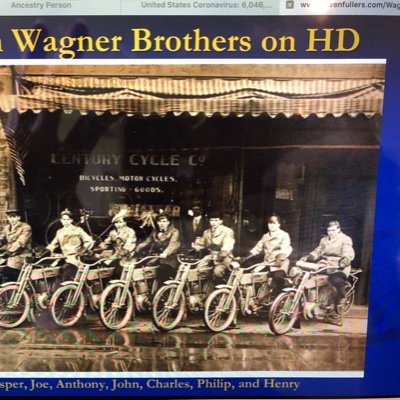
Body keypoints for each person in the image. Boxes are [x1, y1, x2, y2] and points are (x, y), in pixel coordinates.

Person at [301, 220, 355, 309]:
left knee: (336, 280)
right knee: (308, 277)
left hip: (339, 265)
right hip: (325, 264)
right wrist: (308, 257)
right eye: (329, 230)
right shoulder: (324, 239)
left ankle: (341, 298)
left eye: (333, 230)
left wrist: (345, 260)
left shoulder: (345, 239)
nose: (331, 233)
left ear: (339, 229)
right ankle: (313, 301)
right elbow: (317, 251)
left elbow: (347, 251)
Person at [244, 214, 293, 298]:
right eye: (269, 223)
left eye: (274, 223)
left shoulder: (284, 235)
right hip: (267, 262)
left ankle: (280, 296)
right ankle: (257, 298)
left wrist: (279, 258)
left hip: (280, 262)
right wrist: (245, 258)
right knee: (253, 276)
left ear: (279, 224)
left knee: (278, 278)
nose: (271, 226)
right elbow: (257, 249)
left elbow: (285, 248)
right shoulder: (265, 236)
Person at [46, 209, 95, 280]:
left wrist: (81, 251)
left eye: (68, 219)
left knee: (65, 271)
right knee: (51, 271)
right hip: (63, 257)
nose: (66, 222)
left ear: (71, 220)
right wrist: (45, 252)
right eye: (64, 219)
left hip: (75, 259)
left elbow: (89, 241)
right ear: (61, 220)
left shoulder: (77, 230)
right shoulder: (59, 232)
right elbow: (53, 244)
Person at [136, 213, 181, 284]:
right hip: (157, 258)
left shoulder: (174, 231)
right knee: (143, 268)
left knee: (162, 270)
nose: (162, 224)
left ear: (168, 222)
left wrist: (166, 253)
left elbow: (173, 244)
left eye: (164, 221)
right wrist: (137, 248)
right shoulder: (155, 231)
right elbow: (147, 242)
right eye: (160, 221)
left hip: (170, 259)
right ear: (157, 222)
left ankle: (162, 290)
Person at [194, 210, 235, 282]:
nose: (213, 222)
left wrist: (218, 257)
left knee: (217, 271)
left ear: (221, 221)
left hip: (224, 258)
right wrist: (196, 245)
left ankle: (222, 289)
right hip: (210, 256)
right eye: (211, 220)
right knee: (199, 270)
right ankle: (204, 289)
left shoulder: (227, 231)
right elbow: (201, 245)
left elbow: (226, 248)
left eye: (216, 220)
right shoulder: (206, 232)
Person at [99, 209, 137, 279]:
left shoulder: (130, 231)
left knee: (125, 274)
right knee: (105, 267)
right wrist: (101, 246)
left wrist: (125, 250)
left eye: (120, 222)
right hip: (116, 255)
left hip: (128, 256)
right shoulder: (113, 232)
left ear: (125, 223)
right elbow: (107, 242)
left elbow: (130, 243)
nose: (118, 225)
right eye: (116, 223)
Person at [0, 209, 32, 282]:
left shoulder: (26, 227)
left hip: (21, 257)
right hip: (10, 257)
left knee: (8, 273)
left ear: (19, 218)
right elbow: (2, 239)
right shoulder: (7, 228)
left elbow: (20, 243)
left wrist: (9, 252)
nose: (12, 219)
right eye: (10, 217)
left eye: (14, 217)